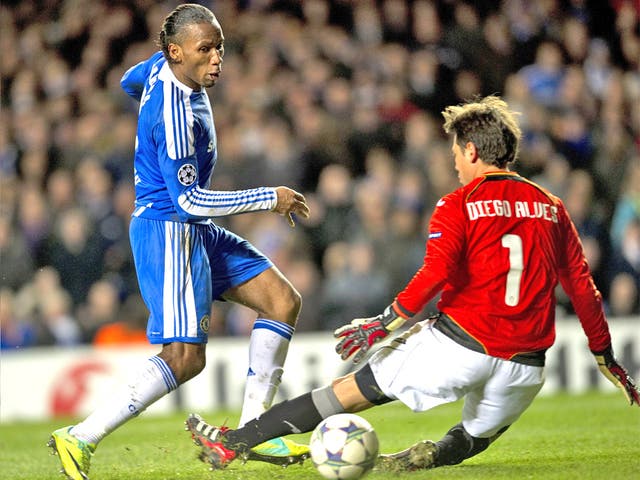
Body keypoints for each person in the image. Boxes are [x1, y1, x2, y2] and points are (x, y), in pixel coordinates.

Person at [184, 96, 639, 472]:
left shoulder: (458, 203)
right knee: (476, 438)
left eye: (457, 153)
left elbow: (436, 273)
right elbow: (583, 289)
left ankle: (238, 441)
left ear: (472, 152)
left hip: (461, 345)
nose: (455, 163)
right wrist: (604, 355)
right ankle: (417, 458)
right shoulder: (552, 206)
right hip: (525, 366)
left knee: (351, 390)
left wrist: (385, 323)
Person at [48, 4, 311, 480]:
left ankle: (252, 432)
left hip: (192, 229)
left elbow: (129, 80)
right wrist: (269, 196)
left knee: (280, 300)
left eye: (220, 48)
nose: (216, 60)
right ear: (176, 52)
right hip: (169, 230)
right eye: (205, 50)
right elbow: (189, 201)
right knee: (184, 358)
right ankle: (79, 437)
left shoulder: (156, 69)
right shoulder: (173, 115)